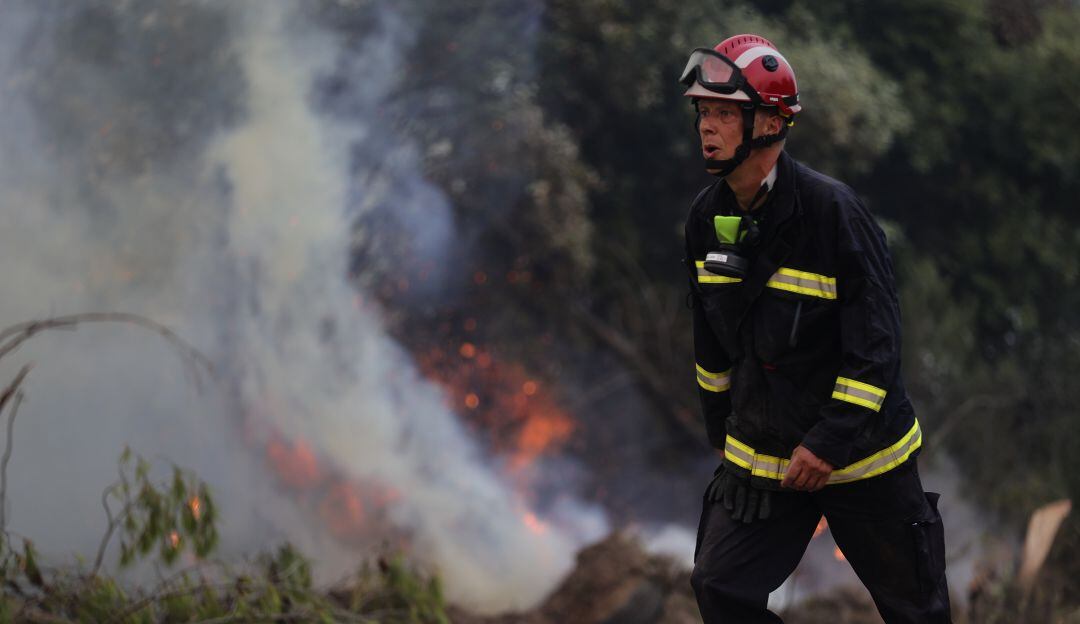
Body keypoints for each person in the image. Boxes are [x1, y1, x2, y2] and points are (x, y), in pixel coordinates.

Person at [680, 34, 952, 623]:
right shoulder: (706, 219)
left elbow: (876, 346)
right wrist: (726, 439)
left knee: (917, 613)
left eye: (725, 112)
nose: (708, 126)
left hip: (863, 461)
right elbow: (711, 349)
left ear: (771, 122)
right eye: (704, 112)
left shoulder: (835, 214)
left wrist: (828, 442)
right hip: (765, 459)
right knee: (719, 587)